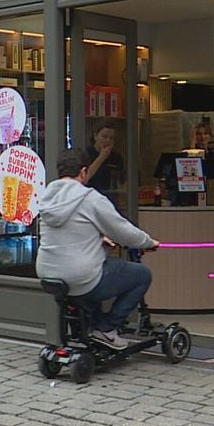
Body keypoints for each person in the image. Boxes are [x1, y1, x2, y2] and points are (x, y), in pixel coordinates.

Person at [37, 148, 159, 350]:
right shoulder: (89, 198)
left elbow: (71, 229)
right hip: (80, 276)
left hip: (49, 274)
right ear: (83, 172)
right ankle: (106, 329)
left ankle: (90, 328)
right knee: (141, 275)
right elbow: (122, 231)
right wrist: (148, 242)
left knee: (98, 273)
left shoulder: (48, 199)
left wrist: (99, 238)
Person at [85, 121, 124, 203]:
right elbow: (86, 177)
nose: (108, 140)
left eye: (111, 138)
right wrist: (101, 157)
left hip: (110, 198)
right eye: (104, 137)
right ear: (95, 136)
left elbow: (121, 181)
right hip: (90, 198)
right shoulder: (86, 154)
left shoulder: (116, 157)